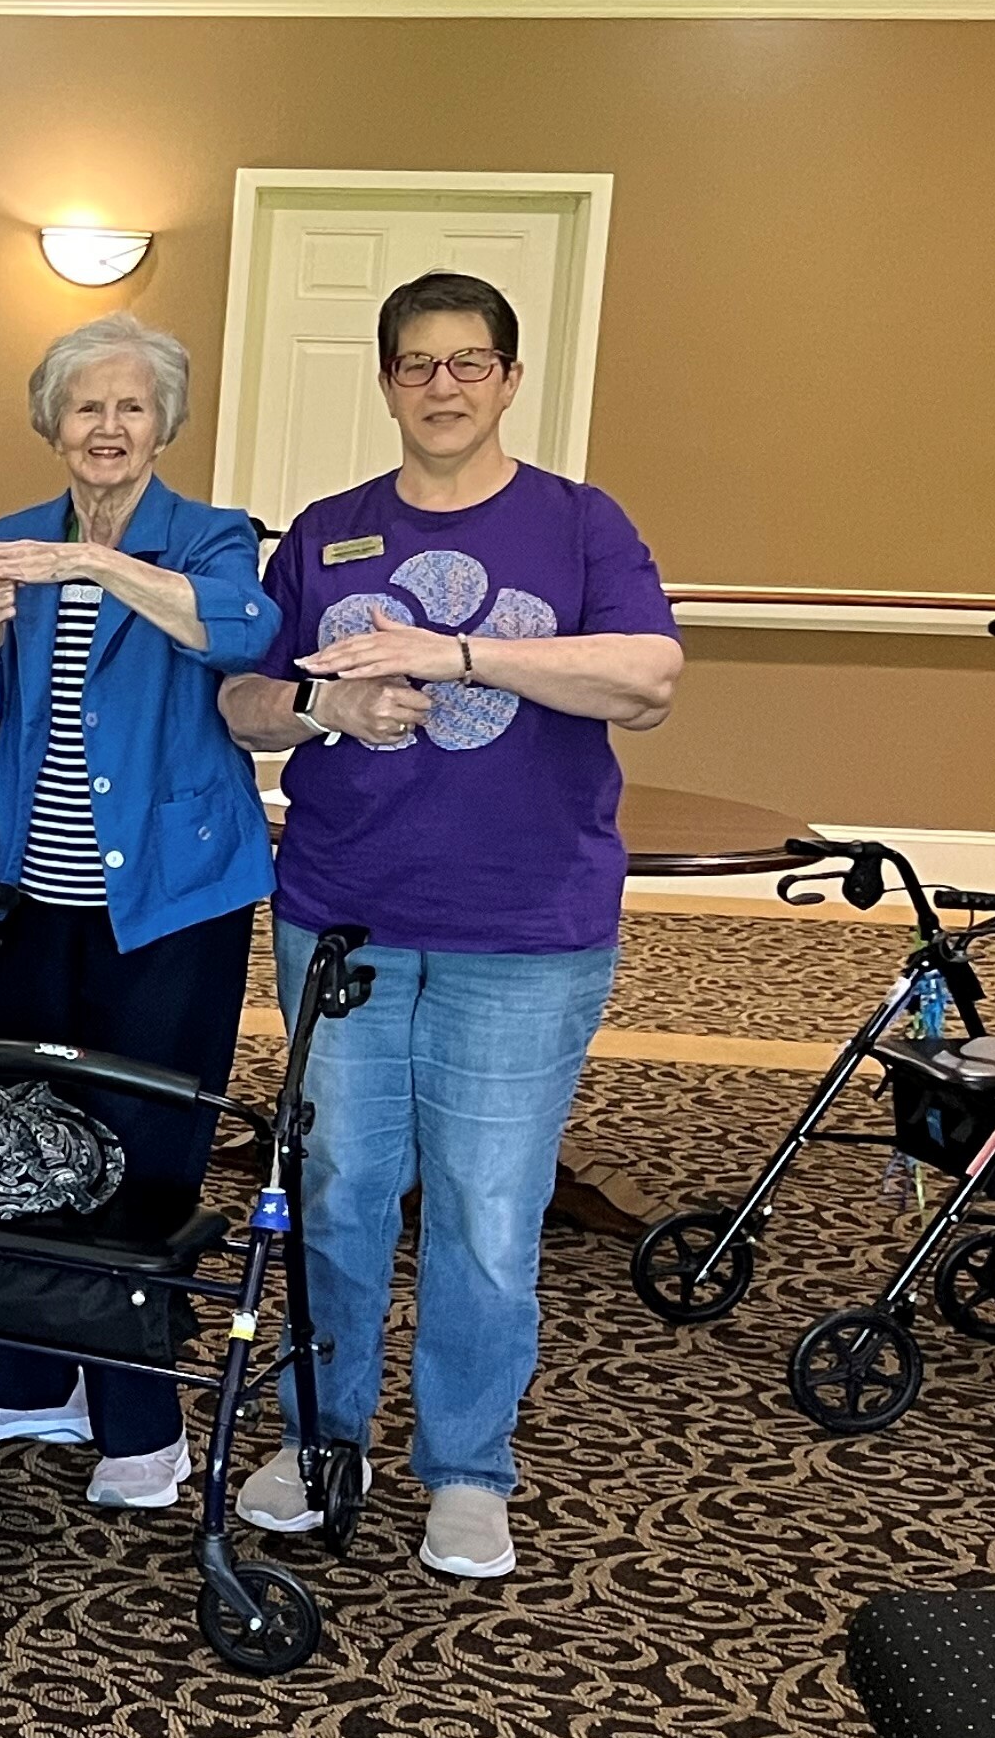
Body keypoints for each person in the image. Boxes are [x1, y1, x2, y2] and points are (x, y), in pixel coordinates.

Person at [217, 271, 682, 1585]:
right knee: (342, 1192)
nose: (441, 386)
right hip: (345, 916)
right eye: (416, 364)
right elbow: (244, 703)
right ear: (386, 382)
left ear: (509, 380)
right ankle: (325, 1441)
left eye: (466, 364)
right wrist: (326, 713)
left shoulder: (580, 525)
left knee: (486, 1205)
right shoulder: (328, 531)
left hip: (526, 928)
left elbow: (645, 679)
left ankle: (470, 1467)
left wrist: (458, 658)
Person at [0, 315, 277, 1512]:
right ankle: (29, 1377)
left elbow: (241, 628)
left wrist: (95, 565)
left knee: (149, 1144)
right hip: (34, 893)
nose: (108, 428)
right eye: (86, 408)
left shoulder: (209, 538)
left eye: (131, 408)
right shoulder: (10, 541)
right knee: (26, 1129)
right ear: (52, 424)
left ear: (165, 424)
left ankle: (139, 1414)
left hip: (170, 901)